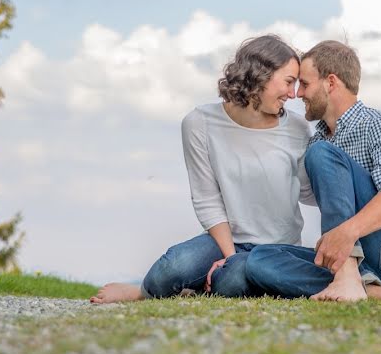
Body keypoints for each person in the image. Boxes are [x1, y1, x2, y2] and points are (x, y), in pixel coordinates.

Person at [91, 35, 314, 303]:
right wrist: (230, 256)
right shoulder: (200, 123)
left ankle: (204, 286)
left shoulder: (297, 129)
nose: (293, 94)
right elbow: (207, 199)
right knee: (170, 270)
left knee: (232, 282)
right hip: (225, 241)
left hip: (276, 248)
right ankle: (143, 291)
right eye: (289, 82)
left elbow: (307, 190)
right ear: (260, 75)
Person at [245, 40, 381, 305]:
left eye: (305, 83)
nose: (298, 93)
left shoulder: (379, 125)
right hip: (366, 259)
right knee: (259, 260)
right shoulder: (317, 140)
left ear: (331, 82)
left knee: (321, 153)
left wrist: (345, 234)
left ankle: (348, 274)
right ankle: (374, 292)